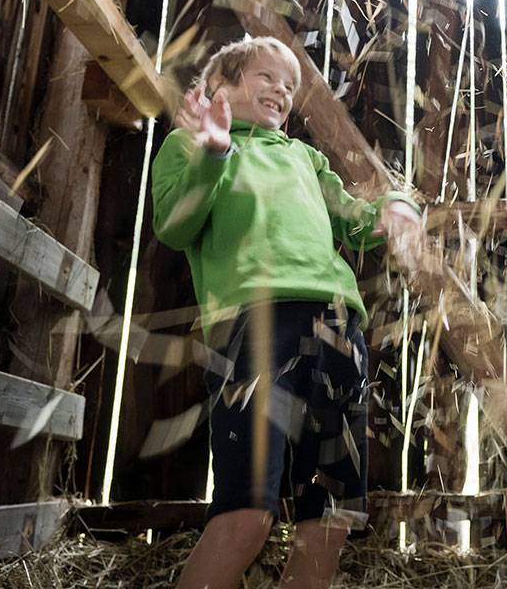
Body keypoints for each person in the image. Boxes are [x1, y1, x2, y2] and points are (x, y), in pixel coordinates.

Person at [152, 35, 420, 589]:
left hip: (337, 327)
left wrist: (397, 207)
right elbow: (173, 225)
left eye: (290, 85)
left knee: (330, 517)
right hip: (253, 326)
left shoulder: (305, 159)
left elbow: (354, 217)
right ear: (218, 86)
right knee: (247, 514)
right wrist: (213, 154)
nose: (282, 90)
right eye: (266, 77)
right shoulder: (191, 145)